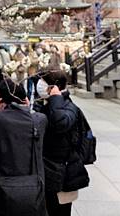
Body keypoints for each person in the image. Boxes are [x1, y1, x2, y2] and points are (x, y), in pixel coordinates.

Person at [0, 78, 48, 216]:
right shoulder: (40, 120)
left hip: (4, 190)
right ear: (25, 99)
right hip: (34, 190)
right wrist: (28, 109)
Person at [34, 70, 89, 216]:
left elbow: (60, 123)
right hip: (48, 172)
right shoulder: (49, 104)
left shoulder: (69, 108)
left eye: (43, 82)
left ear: (54, 87)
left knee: (59, 211)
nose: (39, 85)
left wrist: (56, 98)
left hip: (62, 174)